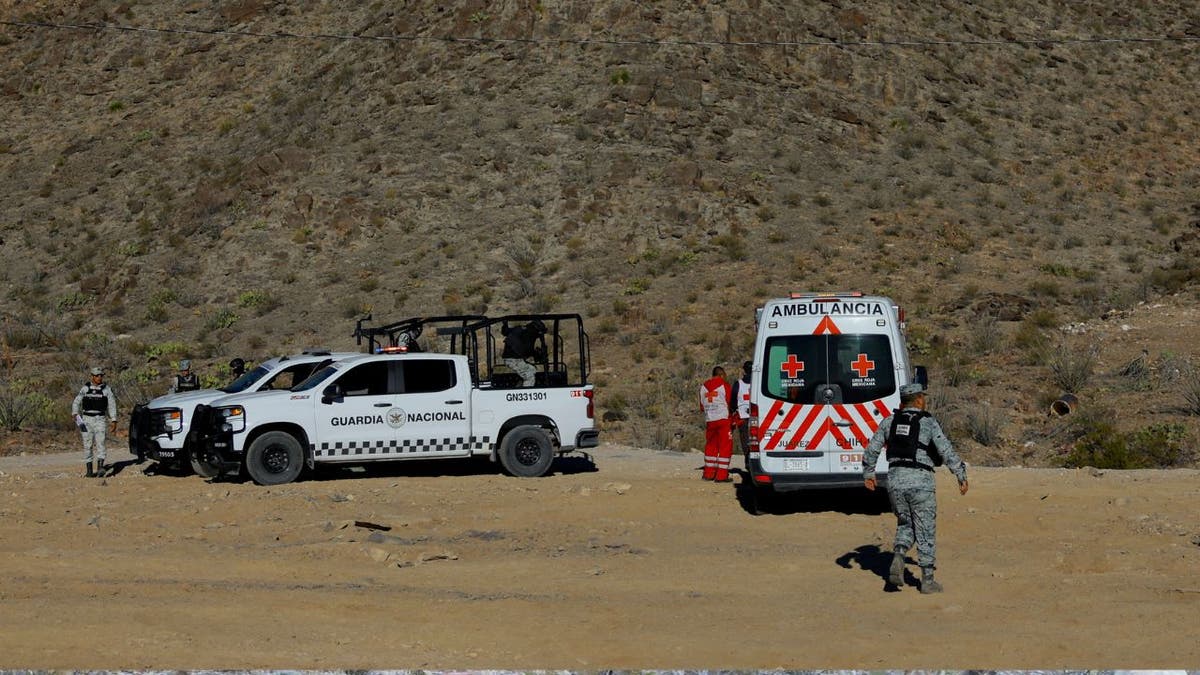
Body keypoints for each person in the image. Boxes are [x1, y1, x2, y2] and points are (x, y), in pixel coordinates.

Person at [862, 383, 968, 593]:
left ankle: (900, 555)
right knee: (925, 529)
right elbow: (945, 450)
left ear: (902, 401)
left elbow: (872, 449)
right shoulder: (928, 422)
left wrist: (868, 474)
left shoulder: (889, 421)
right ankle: (927, 581)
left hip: (895, 481)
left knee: (905, 523)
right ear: (919, 399)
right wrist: (961, 475)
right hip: (921, 481)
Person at [71, 366, 118, 478]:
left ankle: (101, 467)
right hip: (86, 420)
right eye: (97, 375)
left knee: (100, 442)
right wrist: (75, 413)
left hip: (100, 419)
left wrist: (114, 419)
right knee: (87, 445)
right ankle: (89, 471)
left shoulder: (106, 389)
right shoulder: (85, 389)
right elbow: (76, 401)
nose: (99, 377)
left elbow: (112, 404)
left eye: (101, 375)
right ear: (92, 376)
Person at [699, 366, 733, 482]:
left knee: (711, 446)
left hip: (710, 420)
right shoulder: (724, 385)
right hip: (723, 419)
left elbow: (702, 406)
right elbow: (730, 402)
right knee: (725, 446)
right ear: (722, 374)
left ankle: (708, 473)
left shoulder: (703, 387)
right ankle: (721, 476)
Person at [501, 320, 547, 387]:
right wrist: (537, 355)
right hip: (513, 360)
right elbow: (527, 351)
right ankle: (526, 393)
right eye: (539, 333)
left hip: (514, 359)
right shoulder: (529, 334)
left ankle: (519, 387)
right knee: (529, 376)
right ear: (536, 329)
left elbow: (505, 332)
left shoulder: (520, 329)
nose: (538, 336)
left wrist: (505, 324)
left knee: (532, 369)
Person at [730, 361, 753, 468]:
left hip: (743, 417)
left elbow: (733, 401)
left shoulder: (738, 384)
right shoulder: (760, 383)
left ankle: (748, 463)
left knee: (745, 441)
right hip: (758, 417)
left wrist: (733, 409)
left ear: (744, 370)